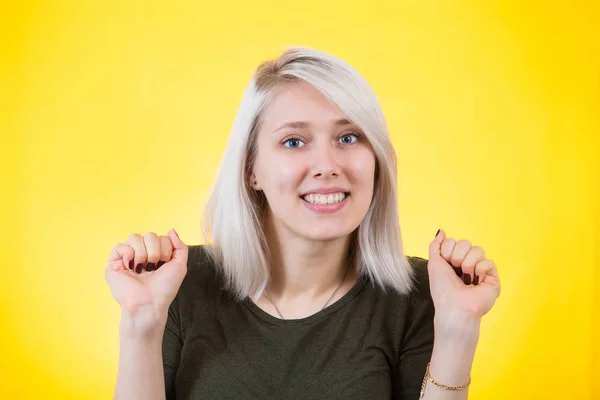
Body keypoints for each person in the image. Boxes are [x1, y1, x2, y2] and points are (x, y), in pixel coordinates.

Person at [105, 47, 501, 400]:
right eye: (294, 141)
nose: (328, 166)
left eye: (349, 137)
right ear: (250, 170)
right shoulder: (177, 285)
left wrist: (457, 329)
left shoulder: (422, 294)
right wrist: (142, 319)